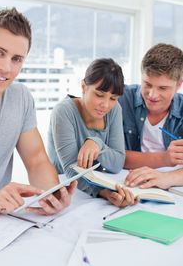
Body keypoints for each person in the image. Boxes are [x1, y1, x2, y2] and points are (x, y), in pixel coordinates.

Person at [0, 8, 77, 219]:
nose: (6, 67)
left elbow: (36, 160)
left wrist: (51, 194)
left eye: (16, 59)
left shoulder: (21, 98)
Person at [48, 58, 138, 207]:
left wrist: (97, 144)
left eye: (113, 98)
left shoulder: (114, 110)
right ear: (83, 86)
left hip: (100, 181)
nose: (105, 105)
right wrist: (105, 193)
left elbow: (117, 163)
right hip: (64, 186)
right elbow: (71, 169)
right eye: (99, 95)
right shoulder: (63, 111)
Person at [118, 43, 183, 190]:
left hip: (171, 189)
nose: (152, 95)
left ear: (178, 85)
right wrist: (165, 158)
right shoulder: (121, 98)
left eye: (162, 88)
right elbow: (112, 156)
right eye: (147, 84)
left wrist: (166, 178)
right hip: (126, 184)